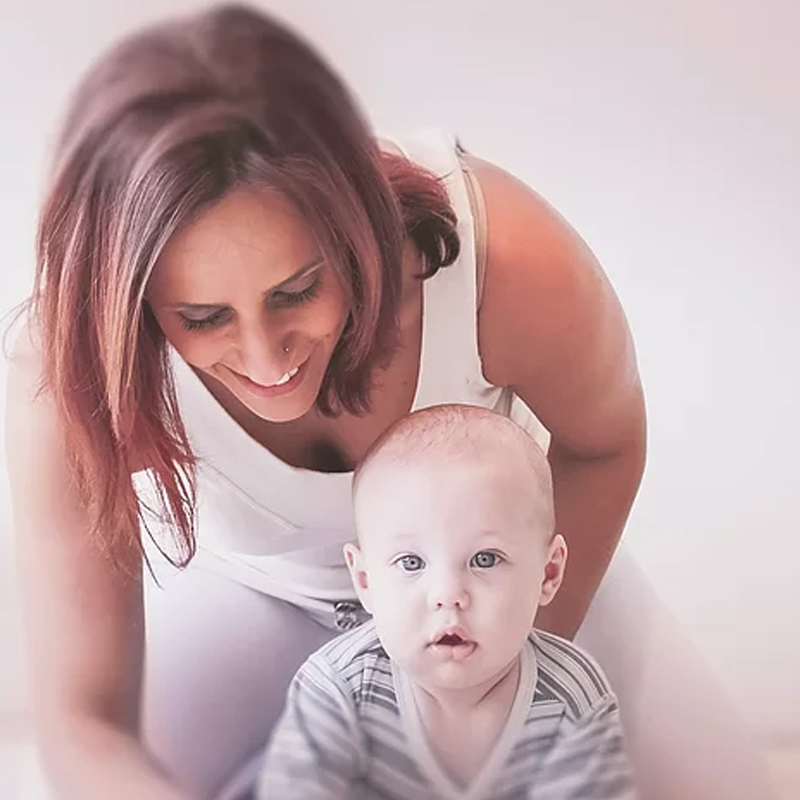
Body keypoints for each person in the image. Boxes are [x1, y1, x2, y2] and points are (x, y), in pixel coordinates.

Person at [4, 4, 776, 800]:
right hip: (260, 598)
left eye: (297, 291)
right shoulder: (73, 368)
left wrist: (493, 687)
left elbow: (605, 443)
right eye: (202, 318)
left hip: (501, 584)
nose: (267, 360)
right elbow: (84, 726)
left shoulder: (503, 260)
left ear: (356, 229)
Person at [257, 404, 638, 800]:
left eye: (485, 559)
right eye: (411, 562)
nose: (448, 595)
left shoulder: (572, 696)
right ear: (365, 580)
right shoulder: (339, 688)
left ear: (549, 572)